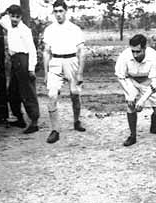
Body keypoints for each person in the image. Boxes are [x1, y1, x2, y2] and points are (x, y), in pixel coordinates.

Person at [115, 34, 156, 147]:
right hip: (130, 80)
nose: (135, 54)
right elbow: (120, 77)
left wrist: (142, 100)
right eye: (133, 51)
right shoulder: (125, 55)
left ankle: (154, 127)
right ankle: (133, 136)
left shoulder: (153, 55)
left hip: (148, 81)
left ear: (145, 48)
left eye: (138, 51)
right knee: (130, 105)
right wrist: (129, 93)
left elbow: (154, 81)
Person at [43, 0, 86, 144]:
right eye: (56, 11)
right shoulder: (49, 30)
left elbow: (81, 51)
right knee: (52, 94)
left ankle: (76, 121)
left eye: (61, 11)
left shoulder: (74, 29)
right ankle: (55, 130)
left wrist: (80, 72)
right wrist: (45, 73)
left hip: (71, 61)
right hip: (55, 63)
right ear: (53, 12)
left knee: (74, 93)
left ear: (66, 11)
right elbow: (46, 52)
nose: (58, 14)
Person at [0, 5, 40, 134]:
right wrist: (4, 12)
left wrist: (31, 69)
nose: (14, 19)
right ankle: (18, 118)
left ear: (21, 17)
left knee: (27, 92)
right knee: (13, 91)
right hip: (14, 61)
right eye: (12, 16)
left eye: (17, 17)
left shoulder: (25, 30)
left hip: (24, 60)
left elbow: (32, 50)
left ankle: (34, 121)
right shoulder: (9, 25)